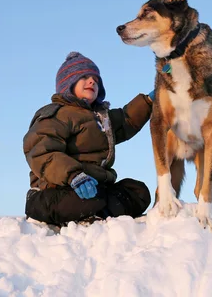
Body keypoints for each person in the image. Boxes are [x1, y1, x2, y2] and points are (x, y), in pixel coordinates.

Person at [23, 51, 154, 226]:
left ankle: (96, 215)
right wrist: (73, 175)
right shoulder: (57, 113)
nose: (92, 81)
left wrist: (149, 100)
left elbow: (126, 120)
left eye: (96, 79)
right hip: (56, 190)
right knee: (88, 200)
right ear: (68, 83)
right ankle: (90, 212)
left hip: (95, 189)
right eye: (84, 77)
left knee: (138, 191)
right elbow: (42, 150)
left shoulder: (101, 117)